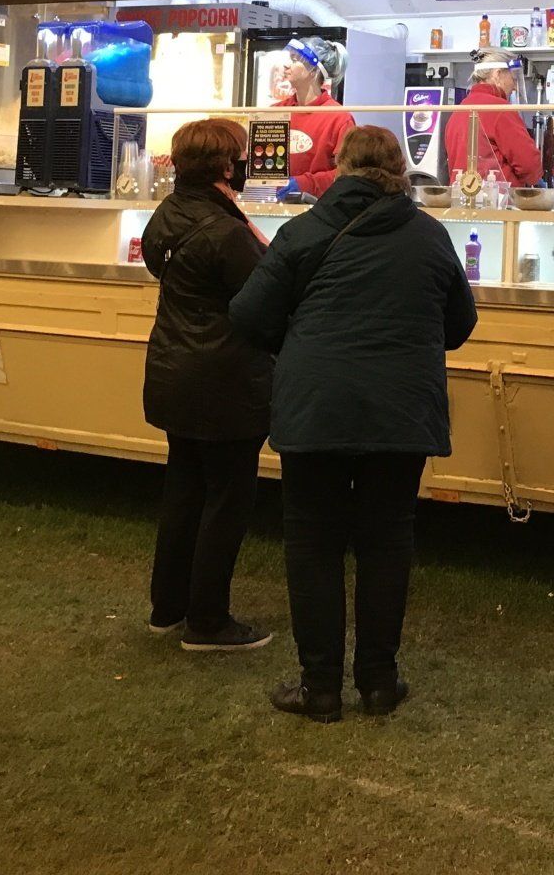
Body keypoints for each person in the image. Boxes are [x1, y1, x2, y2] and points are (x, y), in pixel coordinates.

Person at [228, 125, 478, 721]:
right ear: (399, 171)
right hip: (401, 408)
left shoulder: (303, 231)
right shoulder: (430, 235)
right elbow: (460, 326)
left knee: (312, 542)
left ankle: (319, 688)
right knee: (386, 539)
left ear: (339, 166)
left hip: (316, 404)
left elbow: (247, 316)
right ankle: (378, 682)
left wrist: (298, 342)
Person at [140, 117, 276, 652]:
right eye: (240, 157)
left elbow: (160, 267)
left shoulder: (166, 215)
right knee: (227, 500)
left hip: (174, 371)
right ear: (226, 166)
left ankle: (168, 607)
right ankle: (209, 621)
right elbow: (264, 298)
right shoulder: (226, 233)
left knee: (184, 492)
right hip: (225, 381)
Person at [443, 51, 542, 187]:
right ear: (498, 74)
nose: (514, 87)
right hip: (497, 203)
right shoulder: (500, 110)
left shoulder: (458, 111)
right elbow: (529, 164)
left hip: (461, 200)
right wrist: (536, 179)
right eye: (513, 79)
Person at [275, 36, 355, 197]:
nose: (286, 65)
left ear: (314, 70)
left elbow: (348, 173)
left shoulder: (338, 118)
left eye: (294, 59)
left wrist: (305, 183)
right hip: (271, 207)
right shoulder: (274, 112)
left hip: (320, 209)